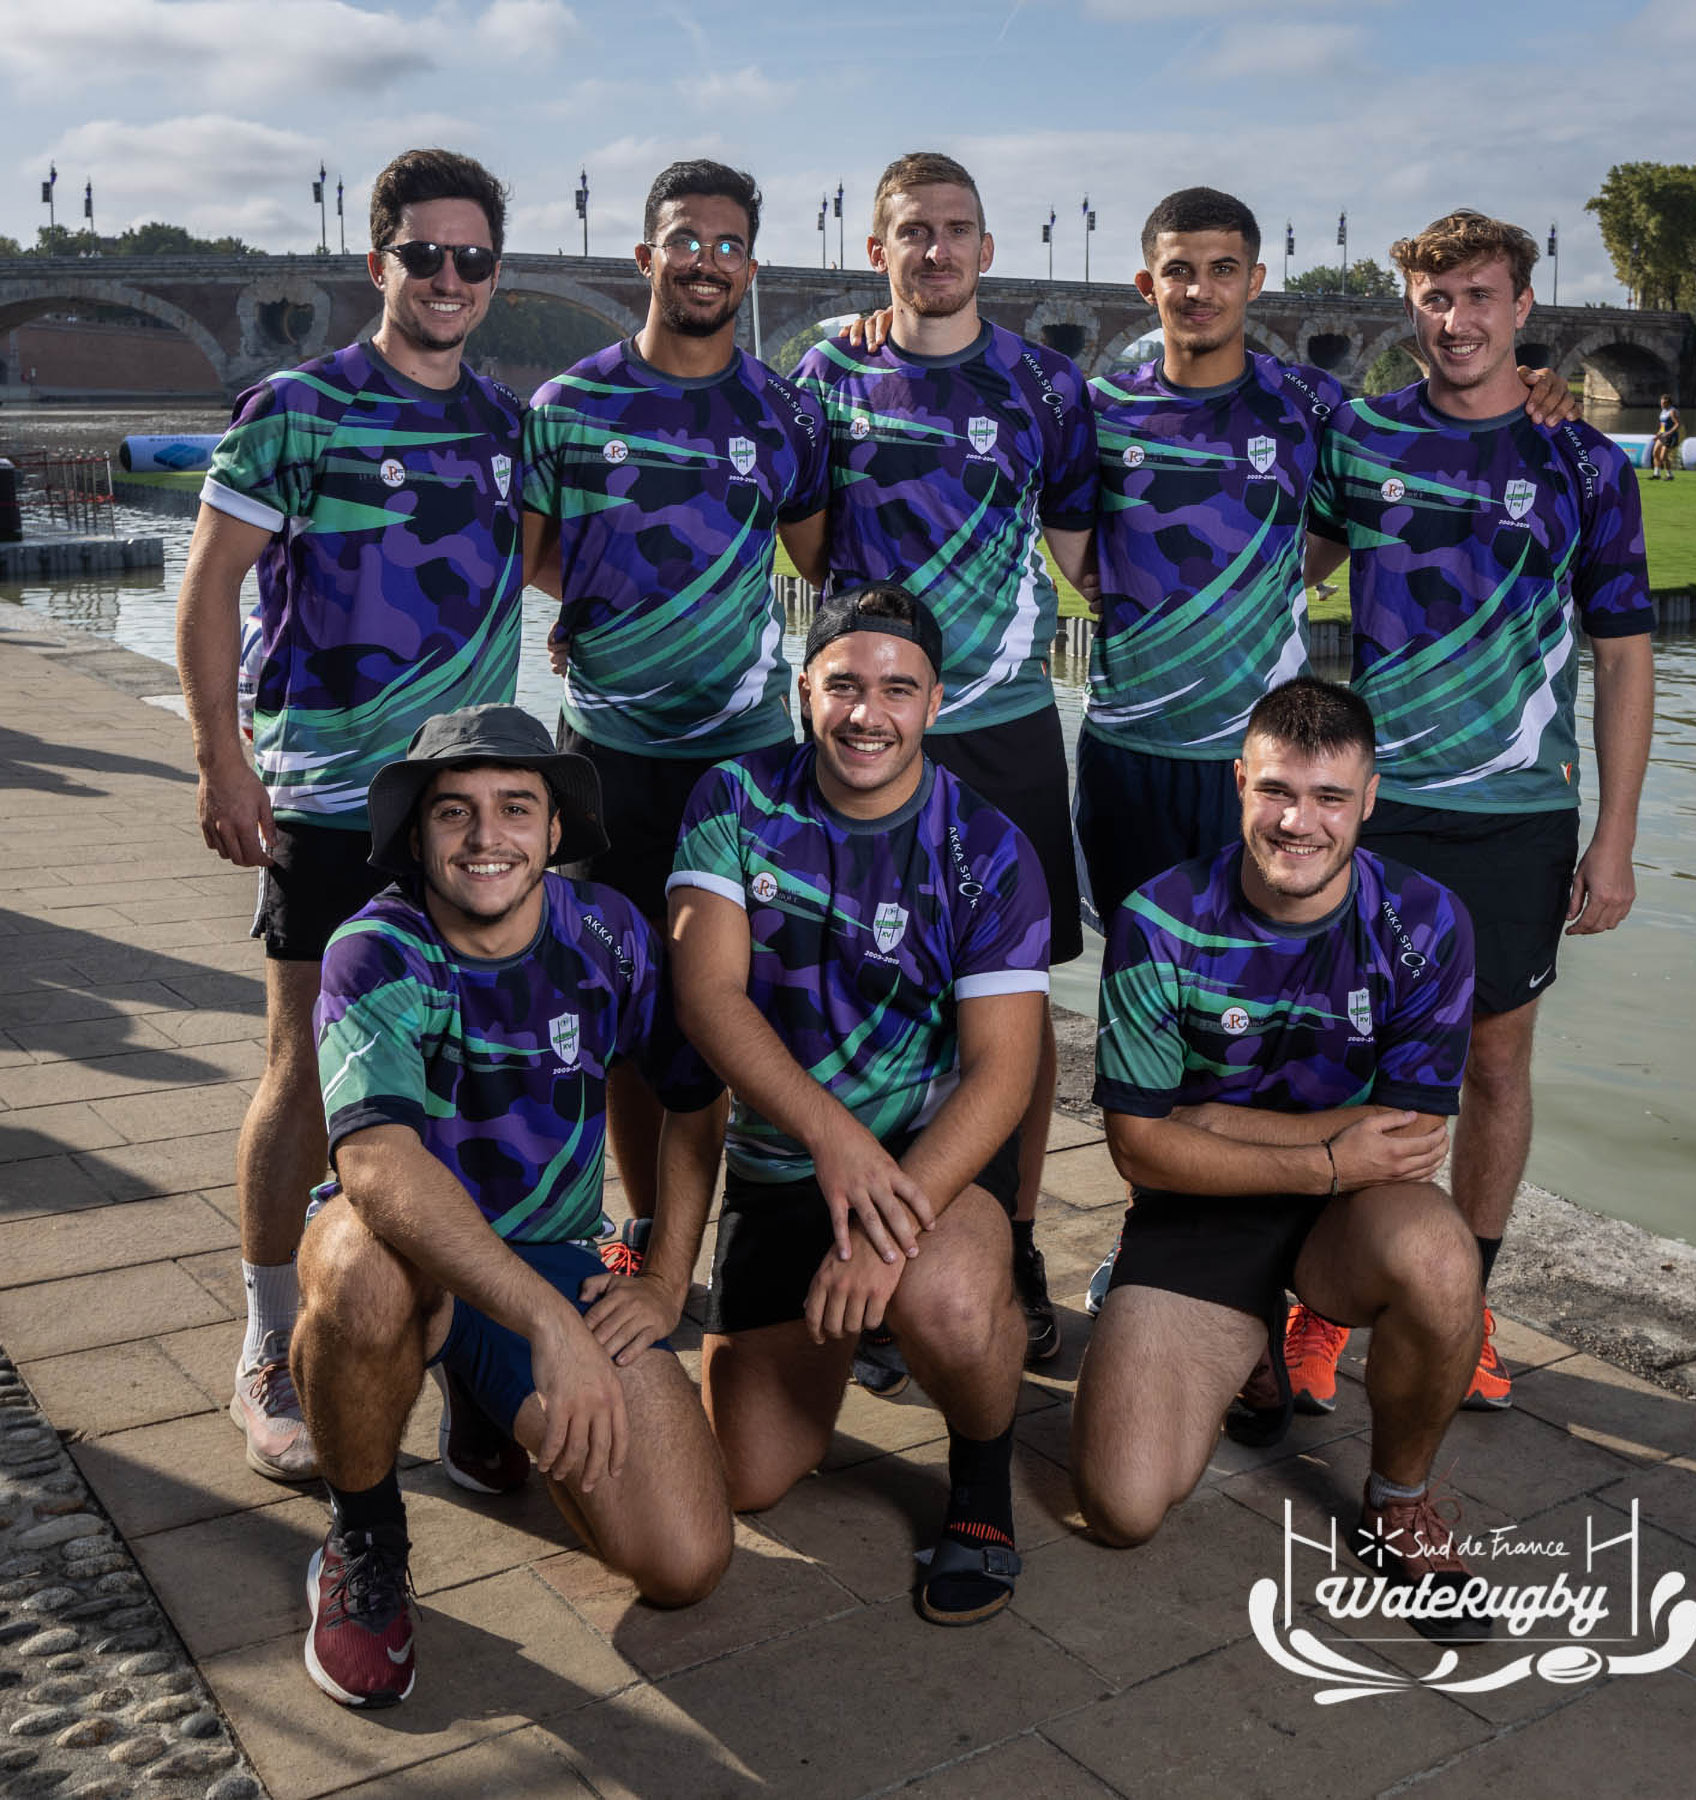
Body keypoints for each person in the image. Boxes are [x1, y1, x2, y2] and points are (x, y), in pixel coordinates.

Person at [1078, 187, 1577, 1316]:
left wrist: (1542, 393)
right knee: (1166, 1012)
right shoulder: (1096, 402)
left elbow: (1335, 530)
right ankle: (1168, 1243)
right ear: (1143, 283)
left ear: (1257, 282)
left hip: (1303, 775)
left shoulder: (1316, 406)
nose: (1198, 287)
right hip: (1135, 754)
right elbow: (1075, 539)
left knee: (1320, 1026)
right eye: (1176, 268)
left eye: (1222, 267)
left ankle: (1346, 1281)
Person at [174, 148, 527, 1483]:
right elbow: (209, 593)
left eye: (472, 258)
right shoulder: (295, 409)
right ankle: (268, 1342)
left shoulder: (505, 422)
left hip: (467, 808)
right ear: (378, 262)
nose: (447, 277)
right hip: (329, 802)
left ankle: (466, 1349)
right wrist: (221, 761)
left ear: (493, 271)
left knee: (458, 1077)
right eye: (422, 254)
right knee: (304, 1075)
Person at [291, 705, 732, 1707]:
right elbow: (376, 1161)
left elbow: (698, 1104)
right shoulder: (375, 948)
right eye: (454, 812)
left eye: (515, 808)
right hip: (407, 1254)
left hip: (549, 1252)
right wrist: (549, 1326)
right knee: (359, 1269)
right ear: (416, 834)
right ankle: (364, 1541)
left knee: (685, 1560)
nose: (486, 837)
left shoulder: (611, 935)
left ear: (556, 829)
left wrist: (663, 1281)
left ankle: (486, 1400)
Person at [1298, 210, 1654, 1417]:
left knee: (1495, 1064)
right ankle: (1320, 1301)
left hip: (1516, 814)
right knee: (1347, 1056)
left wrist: (1615, 835)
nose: (1457, 321)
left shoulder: (1584, 463)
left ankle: (1470, 1303)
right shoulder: (1361, 436)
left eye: (1481, 297)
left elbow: (1623, 659)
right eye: (1437, 298)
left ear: (1522, 308)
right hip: (1375, 809)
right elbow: (1274, 563)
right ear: (1412, 307)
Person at [1070, 677, 1491, 1638]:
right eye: (1276, 793)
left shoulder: (1426, 923)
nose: (1300, 822)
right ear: (1239, 783)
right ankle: (1250, 1337)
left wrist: (1209, 1120)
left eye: (1330, 798)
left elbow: (1412, 1141)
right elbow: (1140, 1147)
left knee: (1438, 1257)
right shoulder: (1159, 919)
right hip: (1201, 1209)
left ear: (1370, 799)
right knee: (1120, 1508)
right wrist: (1325, 1154)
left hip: (1350, 1215)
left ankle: (1398, 1499)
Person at [666, 584, 1050, 1625]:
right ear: (805, 689)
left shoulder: (989, 847)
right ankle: (852, 1330)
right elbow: (708, 996)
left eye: (896, 689)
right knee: (745, 1479)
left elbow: (1004, 1073)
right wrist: (831, 1140)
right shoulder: (735, 799)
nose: (866, 713)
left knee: (949, 1304)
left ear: (936, 702)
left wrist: (890, 1230)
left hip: (931, 1158)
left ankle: (978, 1480)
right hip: (790, 1163)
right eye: (843, 684)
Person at [790, 150, 1098, 1370]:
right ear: (880, 250)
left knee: (1012, 1007)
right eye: (914, 231)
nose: (937, 250)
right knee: (859, 990)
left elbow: (1084, 547)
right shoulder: (829, 369)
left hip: (1005, 727)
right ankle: (866, 1242)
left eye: (958, 230)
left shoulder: (1045, 384)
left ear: (987, 247)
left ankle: (1011, 1241)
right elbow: (808, 545)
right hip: (870, 726)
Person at [522, 160, 827, 1248]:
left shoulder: (784, 410)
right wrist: (614, 610)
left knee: (725, 1008)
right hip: (607, 753)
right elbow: (540, 558)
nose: (707, 262)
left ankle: (726, 1224)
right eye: (686, 241)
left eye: (729, 244)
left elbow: (815, 560)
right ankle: (647, 1229)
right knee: (617, 1005)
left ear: (751, 264)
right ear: (644, 258)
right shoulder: (569, 406)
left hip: (742, 758)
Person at [1650, 393, 1681, 480]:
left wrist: (1669, 433)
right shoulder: (1663, 411)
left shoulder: (1672, 411)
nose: (1661, 404)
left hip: (1670, 436)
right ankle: (1656, 474)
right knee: (1655, 452)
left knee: (1663, 456)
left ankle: (1670, 475)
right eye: (1661, 402)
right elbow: (1662, 426)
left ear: (1668, 403)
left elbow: (1677, 424)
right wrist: (1658, 434)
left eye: (1663, 403)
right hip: (1662, 435)